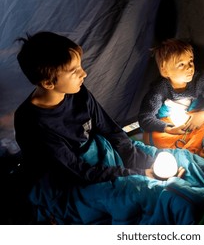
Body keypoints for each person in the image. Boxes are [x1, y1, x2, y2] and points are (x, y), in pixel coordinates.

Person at [14, 31, 190, 224]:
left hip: (100, 155)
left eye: (80, 66)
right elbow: (78, 171)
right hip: (71, 180)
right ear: (48, 82)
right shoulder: (32, 122)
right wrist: (138, 174)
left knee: (178, 160)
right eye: (74, 71)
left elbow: (112, 131)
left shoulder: (79, 93)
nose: (84, 73)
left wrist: (145, 163)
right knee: (151, 192)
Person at [138, 38, 204, 158]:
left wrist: (203, 115)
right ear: (165, 70)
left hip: (196, 122)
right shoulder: (160, 90)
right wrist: (168, 128)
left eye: (191, 61)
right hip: (172, 129)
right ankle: (193, 151)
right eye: (181, 64)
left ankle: (195, 149)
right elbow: (145, 118)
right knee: (153, 137)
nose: (189, 67)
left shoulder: (199, 82)